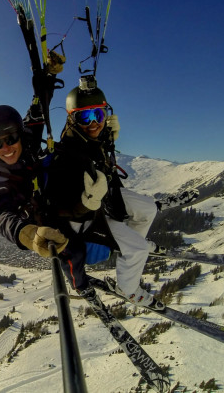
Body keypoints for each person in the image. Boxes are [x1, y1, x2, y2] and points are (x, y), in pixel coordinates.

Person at [46, 75, 164, 307]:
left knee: (148, 208)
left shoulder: (92, 139)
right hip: (86, 219)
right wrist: (85, 203)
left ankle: (129, 243)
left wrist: (108, 139)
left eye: (97, 115)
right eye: (84, 116)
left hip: (103, 203)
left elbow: (98, 145)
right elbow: (58, 206)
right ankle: (129, 288)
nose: (93, 123)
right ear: (71, 120)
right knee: (139, 250)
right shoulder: (66, 156)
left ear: (105, 114)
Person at [0, 104, 69, 259]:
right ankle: (79, 282)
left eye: (11, 139)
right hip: (24, 212)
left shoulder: (27, 141)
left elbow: (32, 122)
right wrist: (29, 235)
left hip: (34, 188)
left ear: (20, 136)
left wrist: (40, 98)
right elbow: (3, 214)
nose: (6, 148)